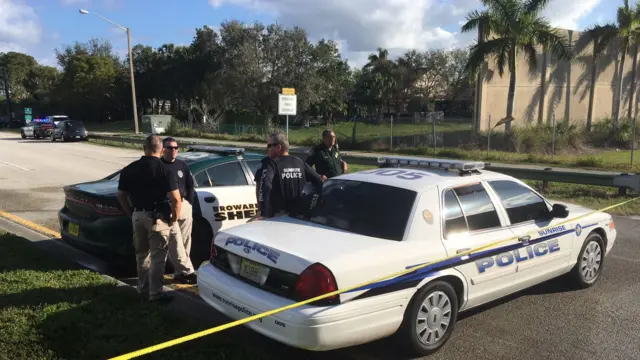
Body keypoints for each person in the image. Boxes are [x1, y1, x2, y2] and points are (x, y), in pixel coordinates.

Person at [116, 134, 182, 303]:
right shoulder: (165, 170)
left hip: (137, 215)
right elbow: (176, 199)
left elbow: (121, 195)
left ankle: (143, 290)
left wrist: (131, 212)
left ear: (144, 149)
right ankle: (156, 294)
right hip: (158, 218)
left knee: (141, 256)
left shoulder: (129, 169)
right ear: (161, 150)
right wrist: (174, 219)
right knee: (158, 258)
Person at [256, 132, 324, 219]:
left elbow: (265, 186)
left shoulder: (271, 164)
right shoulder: (300, 162)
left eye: (269, 146)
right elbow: (319, 181)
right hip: (299, 216)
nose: (267, 148)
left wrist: (263, 212)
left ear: (278, 147)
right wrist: (312, 205)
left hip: (278, 216)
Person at [161, 137, 197, 284]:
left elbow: (190, 185)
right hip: (169, 207)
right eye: (170, 148)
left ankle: (180, 272)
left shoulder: (182, 165)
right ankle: (186, 271)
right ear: (163, 149)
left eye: (176, 147)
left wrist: (188, 202)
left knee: (186, 240)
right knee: (175, 243)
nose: (174, 150)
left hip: (184, 205)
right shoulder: (160, 165)